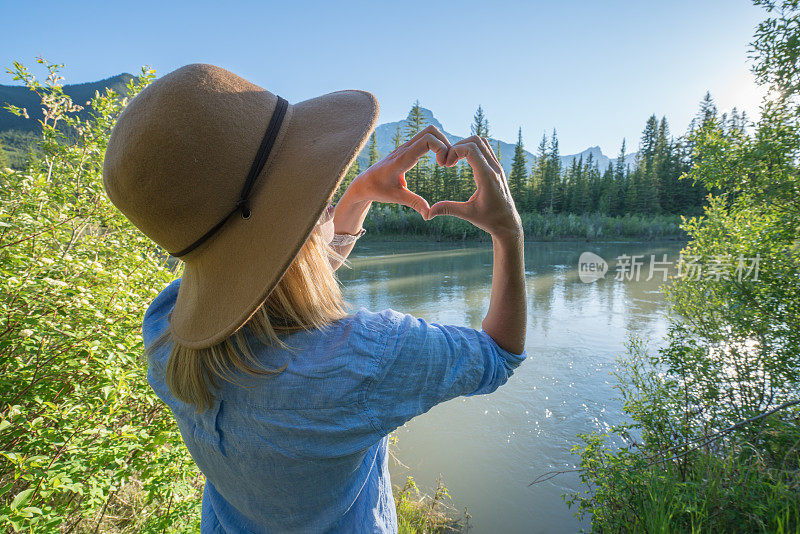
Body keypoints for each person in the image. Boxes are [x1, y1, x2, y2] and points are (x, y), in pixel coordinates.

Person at [102, 63, 527, 533]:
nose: (324, 195)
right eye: (307, 185)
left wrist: (358, 195)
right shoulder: (366, 359)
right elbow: (499, 355)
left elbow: (274, 290)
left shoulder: (165, 328)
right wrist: (508, 232)